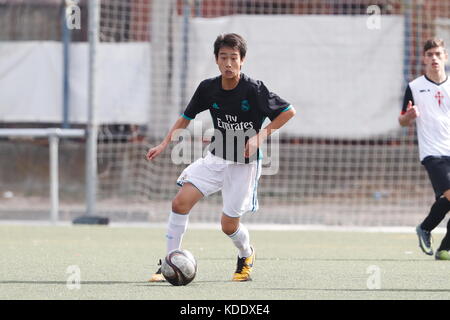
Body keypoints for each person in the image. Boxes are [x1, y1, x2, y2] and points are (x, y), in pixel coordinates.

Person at [146, 33, 296, 281]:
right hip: (216, 159)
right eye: (223, 57)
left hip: (243, 164)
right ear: (216, 60)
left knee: (228, 225)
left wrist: (260, 136)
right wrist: (164, 143)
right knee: (179, 203)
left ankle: (246, 254)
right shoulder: (208, 88)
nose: (228, 63)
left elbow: (288, 111)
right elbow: (186, 117)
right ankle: (170, 262)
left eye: (234, 58)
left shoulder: (254, 89)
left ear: (242, 60)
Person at [399, 38, 450, 260]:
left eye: (438, 54)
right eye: (430, 54)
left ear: (445, 57)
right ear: (423, 59)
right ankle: (426, 227)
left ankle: (445, 248)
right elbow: (402, 121)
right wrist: (408, 117)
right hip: (433, 153)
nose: (434, 58)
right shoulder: (414, 87)